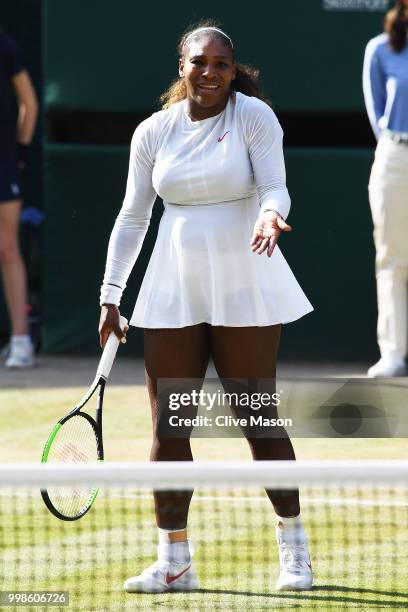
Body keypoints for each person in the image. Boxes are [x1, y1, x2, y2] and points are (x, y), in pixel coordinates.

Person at [99, 23, 313, 593]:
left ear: (232, 69)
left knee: (257, 416)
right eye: (200, 62)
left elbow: (275, 186)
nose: (210, 71)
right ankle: (174, 560)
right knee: (170, 424)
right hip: (173, 278)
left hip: (244, 272)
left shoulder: (253, 117)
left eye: (221, 63)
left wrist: (270, 214)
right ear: (183, 67)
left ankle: (294, 551)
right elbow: (133, 216)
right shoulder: (153, 131)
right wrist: (111, 295)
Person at [363, 0, 408, 377]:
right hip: (396, 155)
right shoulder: (380, 48)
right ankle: (393, 353)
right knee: (392, 256)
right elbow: (375, 109)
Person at [0, 29, 38, 368]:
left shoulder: (5, 45)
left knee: (6, 247)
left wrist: (20, 151)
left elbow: (29, 102)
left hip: (4, 162)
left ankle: (20, 340)